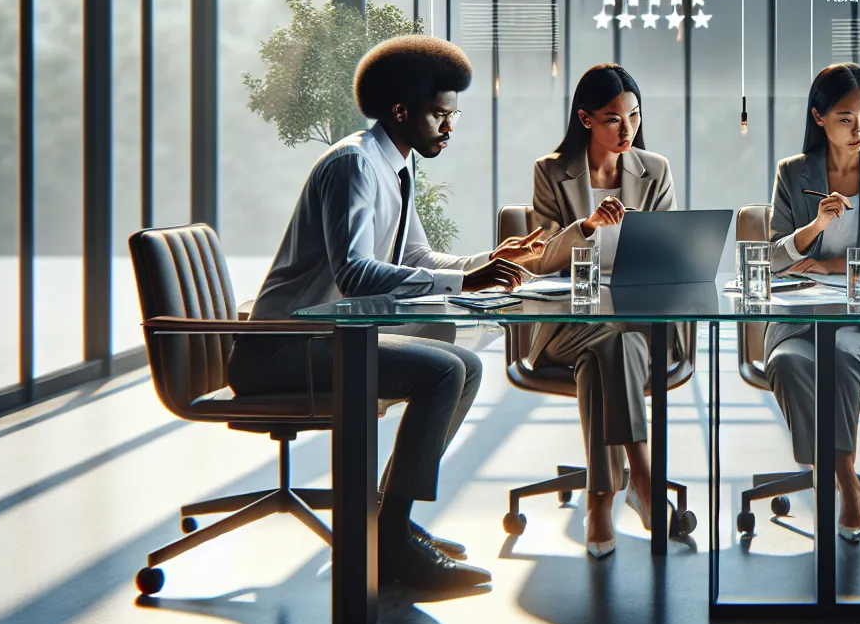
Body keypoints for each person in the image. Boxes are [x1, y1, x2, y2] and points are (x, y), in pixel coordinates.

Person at [228, 34, 544, 590]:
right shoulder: (353, 164)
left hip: (328, 340)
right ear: (401, 111)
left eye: (453, 115)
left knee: (464, 365)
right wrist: (465, 281)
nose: (450, 127)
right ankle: (391, 541)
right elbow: (353, 272)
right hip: (280, 350)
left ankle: (389, 520)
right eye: (440, 115)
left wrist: (490, 261)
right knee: (442, 370)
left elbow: (416, 257)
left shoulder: (395, 165)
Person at [520, 64, 677, 559]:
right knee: (610, 338)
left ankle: (600, 500)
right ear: (586, 119)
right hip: (568, 323)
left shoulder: (655, 171)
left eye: (634, 115)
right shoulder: (551, 171)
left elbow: (669, 256)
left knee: (609, 348)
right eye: (613, 119)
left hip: (637, 323)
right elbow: (541, 259)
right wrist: (586, 227)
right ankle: (643, 477)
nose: (627, 129)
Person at [766, 63, 860, 542]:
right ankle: (842, 474)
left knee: (842, 355)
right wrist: (815, 227)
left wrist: (833, 265)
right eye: (846, 118)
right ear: (819, 117)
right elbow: (772, 259)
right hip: (799, 318)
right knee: (786, 362)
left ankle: (841, 479)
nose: (859, 129)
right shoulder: (793, 173)